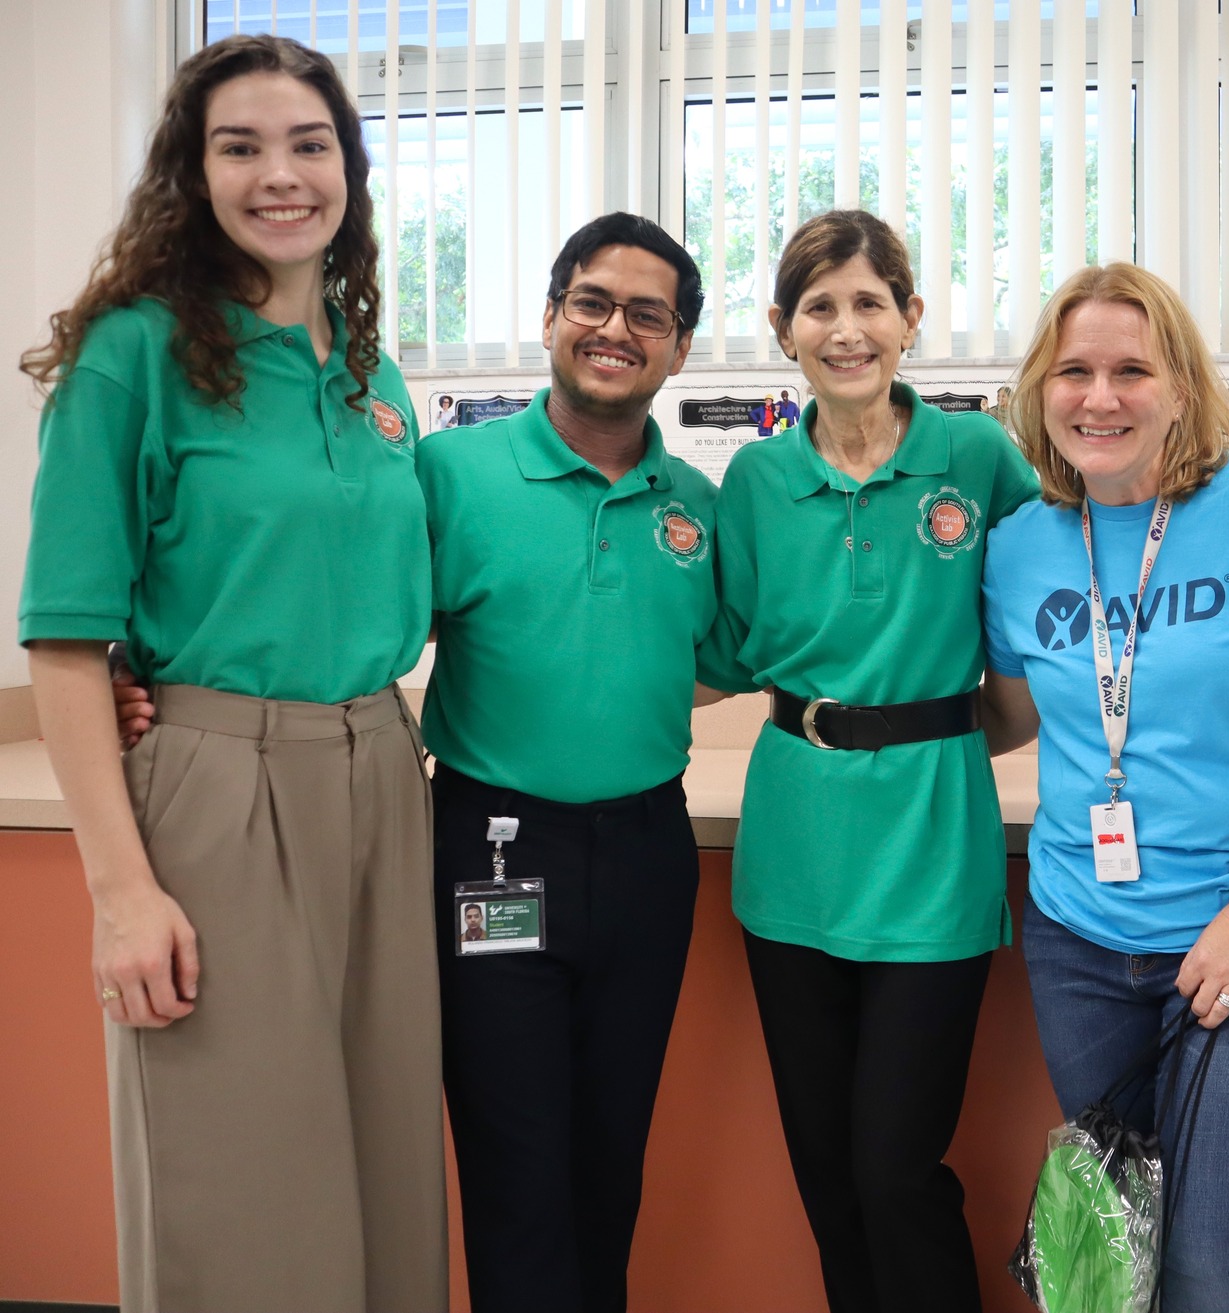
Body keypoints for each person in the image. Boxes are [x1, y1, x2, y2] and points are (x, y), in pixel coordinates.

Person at [17, 35, 444, 1313]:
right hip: (215, 786)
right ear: (190, 174)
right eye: (240, 145)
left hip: (382, 771)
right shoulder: (130, 354)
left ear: (350, 172)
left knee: (386, 1169)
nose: (280, 175)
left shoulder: (372, 378)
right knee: (242, 1178)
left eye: (309, 145)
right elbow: (63, 637)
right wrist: (119, 890)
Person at [979, 262, 1229, 1312]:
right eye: (1073, 370)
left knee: (1217, 1264)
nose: (1098, 397)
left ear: (1182, 387)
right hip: (1076, 935)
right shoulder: (1019, 545)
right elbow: (1013, 715)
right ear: (1039, 388)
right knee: (1120, 1251)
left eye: (1128, 370)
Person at [694, 209, 1039, 1313]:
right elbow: (717, 653)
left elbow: (1050, 612)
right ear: (781, 330)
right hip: (793, 842)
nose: (846, 329)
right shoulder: (752, 478)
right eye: (820, 306)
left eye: (868, 303)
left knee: (894, 1165)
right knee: (828, 1171)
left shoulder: (976, 457)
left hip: (932, 843)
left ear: (911, 319)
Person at [419, 212, 715, 1313]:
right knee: (516, 1162)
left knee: (608, 1154)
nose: (614, 327)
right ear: (549, 318)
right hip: (493, 849)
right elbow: (355, 611)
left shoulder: (694, 506)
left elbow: (729, 651)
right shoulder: (452, 471)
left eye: (649, 314)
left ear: (678, 349)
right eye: (591, 301)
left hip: (647, 848)